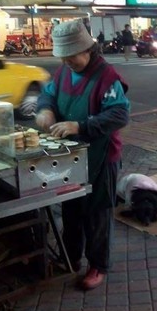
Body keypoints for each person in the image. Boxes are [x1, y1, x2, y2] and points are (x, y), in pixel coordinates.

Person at [35, 20, 130, 290]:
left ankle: (98, 266)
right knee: (72, 209)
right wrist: (45, 110)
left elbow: (119, 114)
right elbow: (48, 95)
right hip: (70, 156)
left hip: (101, 157)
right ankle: (71, 258)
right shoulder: (64, 72)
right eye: (62, 57)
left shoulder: (107, 76)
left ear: (89, 49)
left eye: (72, 55)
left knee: (97, 215)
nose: (67, 61)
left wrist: (81, 126)